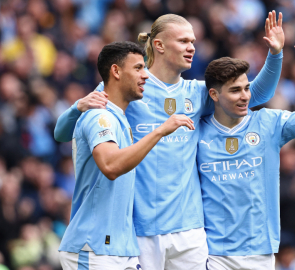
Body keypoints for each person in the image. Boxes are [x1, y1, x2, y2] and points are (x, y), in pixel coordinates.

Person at [54, 12, 285, 269]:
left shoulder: (197, 93)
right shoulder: (130, 86)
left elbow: (255, 95)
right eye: (184, 41)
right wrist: (77, 107)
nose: (192, 47)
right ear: (159, 45)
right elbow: (63, 133)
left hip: (190, 230)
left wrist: (275, 54)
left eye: (193, 41)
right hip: (140, 230)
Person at [198, 20, 295, 270]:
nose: (244, 96)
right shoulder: (195, 132)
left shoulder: (269, 122)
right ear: (214, 95)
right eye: (235, 91)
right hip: (212, 254)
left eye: (247, 88)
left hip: (259, 253)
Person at [58, 41, 194, 269]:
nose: (146, 76)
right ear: (116, 71)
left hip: (122, 249)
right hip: (94, 248)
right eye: (138, 68)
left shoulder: (120, 117)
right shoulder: (99, 116)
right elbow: (110, 166)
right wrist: (160, 131)